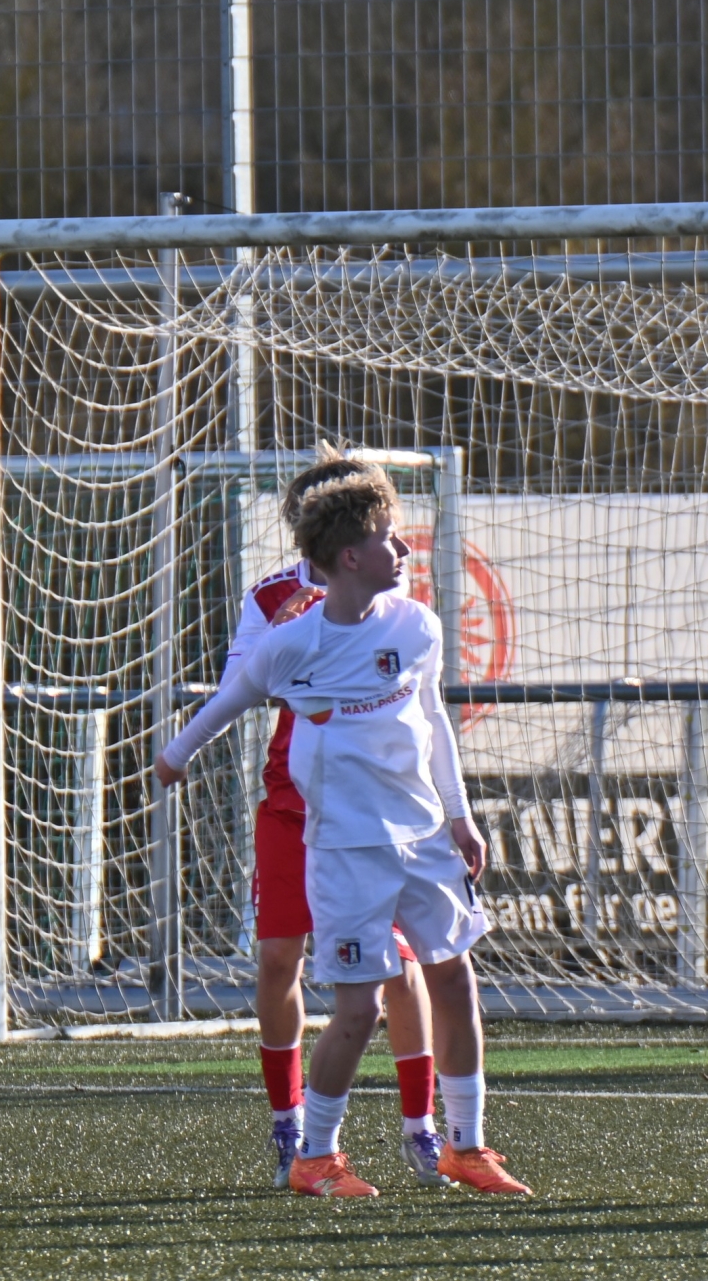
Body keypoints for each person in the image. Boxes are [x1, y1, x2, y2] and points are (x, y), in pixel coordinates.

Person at [157, 467, 530, 1197]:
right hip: (344, 851)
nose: (401, 546)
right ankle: (314, 1153)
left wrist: (459, 815)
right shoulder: (289, 640)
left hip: (422, 838)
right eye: (385, 535)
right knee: (356, 1008)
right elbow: (230, 699)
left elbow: (433, 723)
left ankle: (463, 1144)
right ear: (348, 555)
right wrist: (173, 758)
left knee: (454, 978)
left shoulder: (416, 623)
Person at [227, 450, 443, 1189]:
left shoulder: (389, 587)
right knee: (279, 957)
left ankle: (423, 1127)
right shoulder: (270, 600)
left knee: (401, 971)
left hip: (371, 811)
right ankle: (289, 1123)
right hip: (293, 805)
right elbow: (241, 687)